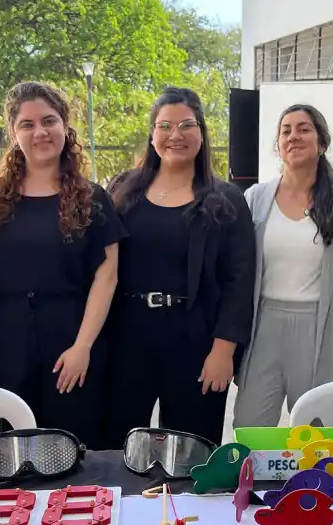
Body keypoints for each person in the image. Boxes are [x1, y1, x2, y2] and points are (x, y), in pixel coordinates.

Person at [0, 82, 124, 448]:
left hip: (72, 331)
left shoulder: (93, 198)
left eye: (49, 120)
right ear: (13, 133)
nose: (39, 132)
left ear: (65, 126)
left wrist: (82, 346)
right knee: (17, 443)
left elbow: (107, 276)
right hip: (8, 335)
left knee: (75, 440)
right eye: (27, 124)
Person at [104, 86, 255, 445]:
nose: (176, 135)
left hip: (196, 339)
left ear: (201, 132)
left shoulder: (226, 199)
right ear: (152, 134)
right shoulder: (123, 191)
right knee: (116, 444)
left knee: (192, 450)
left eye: (187, 125)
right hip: (129, 336)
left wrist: (224, 351)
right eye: (165, 126)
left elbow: (240, 278)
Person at [232, 104, 333, 428]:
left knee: (316, 431)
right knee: (250, 427)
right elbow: (237, 265)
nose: (293, 136)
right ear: (278, 144)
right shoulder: (256, 198)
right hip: (264, 324)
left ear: (322, 143)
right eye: (286, 130)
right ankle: (254, 482)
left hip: (319, 325)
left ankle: (312, 483)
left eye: (303, 129)